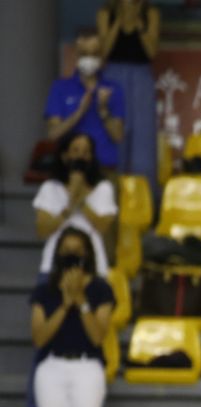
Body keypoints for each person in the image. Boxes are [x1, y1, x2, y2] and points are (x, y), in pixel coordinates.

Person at [31, 229, 114, 407]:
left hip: (87, 368)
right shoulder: (45, 291)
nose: (72, 255)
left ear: (88, 254)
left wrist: (80, 301)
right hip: (52, 367)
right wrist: (65, 304)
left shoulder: (101, 289)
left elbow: (98, 336)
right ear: (57, 254)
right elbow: (39, 337)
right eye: (66, 249)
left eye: (78, 250)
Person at [34, 132, 116, 279]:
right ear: (65, 156)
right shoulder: (50, 187)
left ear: (92, 157)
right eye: (76, 150)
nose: (81, 157)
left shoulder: (103, 188)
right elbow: (42, 229)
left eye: (86, 152)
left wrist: (81, 200)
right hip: (53, 264)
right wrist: (70, 203)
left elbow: (104, 226)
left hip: (94, 265)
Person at [44, 27, 125, 173]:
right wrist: (79, 112)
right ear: (76, 54)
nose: (89, 59)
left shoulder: (113, 89)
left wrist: (104, 111)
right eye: (84, 54)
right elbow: (52, 134)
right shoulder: (60, 87)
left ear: (102, 56)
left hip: (104, 167)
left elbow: (118, 136)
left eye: (94, 54)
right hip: (69, 168)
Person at [97, 0, 159, 191]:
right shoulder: (106, 13)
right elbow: (104, 51)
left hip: (141, 77)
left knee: (143, 143)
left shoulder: (150, 13)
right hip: (113, 77)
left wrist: (138, 25)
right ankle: (109, 200)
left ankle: (145, 203)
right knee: (115, 138)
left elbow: (151, 52)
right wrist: (120, 21)